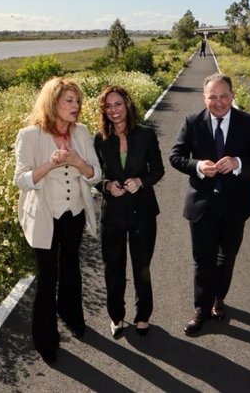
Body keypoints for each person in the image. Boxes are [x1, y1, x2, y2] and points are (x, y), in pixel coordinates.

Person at [170, 73, 250, 335]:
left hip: (236, 205)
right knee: (202, 259)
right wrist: (198, 166)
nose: (218, 102)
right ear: (204, 99)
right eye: (212, 97)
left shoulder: (249, 122)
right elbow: (176, 156)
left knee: (226, 258)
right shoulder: (192, 122)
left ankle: (218, 298)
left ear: (232, 96)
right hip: (202, 204)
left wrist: (238, 163)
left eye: (224, 96)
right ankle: (200, 309)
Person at [13, 77, 101, 364]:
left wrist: (76, 161)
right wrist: (49, 164)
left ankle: (72, 315)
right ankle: (46, 339)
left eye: (78, 101)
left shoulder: (82, 132)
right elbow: (21, 180)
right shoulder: (29, 135)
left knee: (72, 266)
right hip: (44, 217)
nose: (76, 106)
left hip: (73, 214)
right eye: (70, 101)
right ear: (53, 103)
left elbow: (95, 175)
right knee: (47, 276)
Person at [94, 86, 165, 338]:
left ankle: (143, 315)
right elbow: (95, 175)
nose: (114, 110)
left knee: (141, 266)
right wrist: (106, 186)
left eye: (118, 104)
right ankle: (117, 316)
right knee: (113, 267)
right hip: (112, 214)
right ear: (104, 111)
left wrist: (141, 182)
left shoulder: (145, 135)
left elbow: (158, 169)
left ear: (128, 104)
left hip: (143, 212)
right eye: (108, 106)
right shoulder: (99, 138)